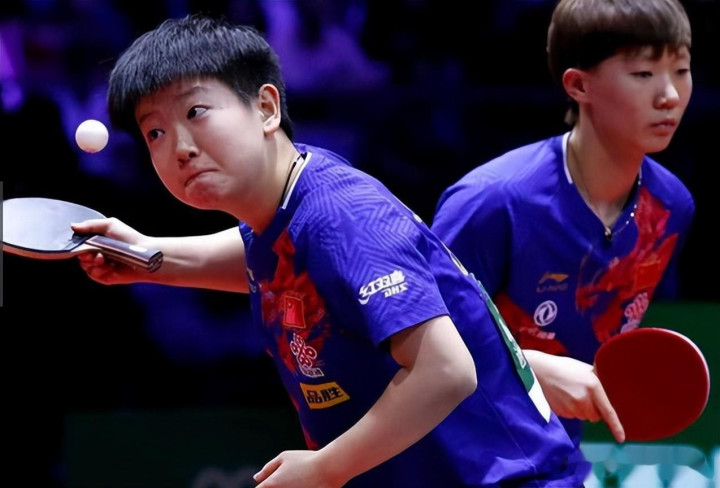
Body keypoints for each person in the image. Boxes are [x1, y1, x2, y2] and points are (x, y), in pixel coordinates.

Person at [72, 14, 590, 488]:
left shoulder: (341, 216)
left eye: (196, 111)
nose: (180, 147)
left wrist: (325, 468)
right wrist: (149, 257)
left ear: (266, 108)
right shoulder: (288, 202)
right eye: (155, 132)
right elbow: (272, 255)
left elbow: (446, 371)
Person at [431, 0, 694, 456]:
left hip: (552, 456)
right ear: (578, 85)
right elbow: (411, 350)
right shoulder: (493, 202)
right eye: (643, 73)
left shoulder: (669, 208)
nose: (669, 95)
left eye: (682, 70)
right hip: (448, 455)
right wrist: (527, 367)